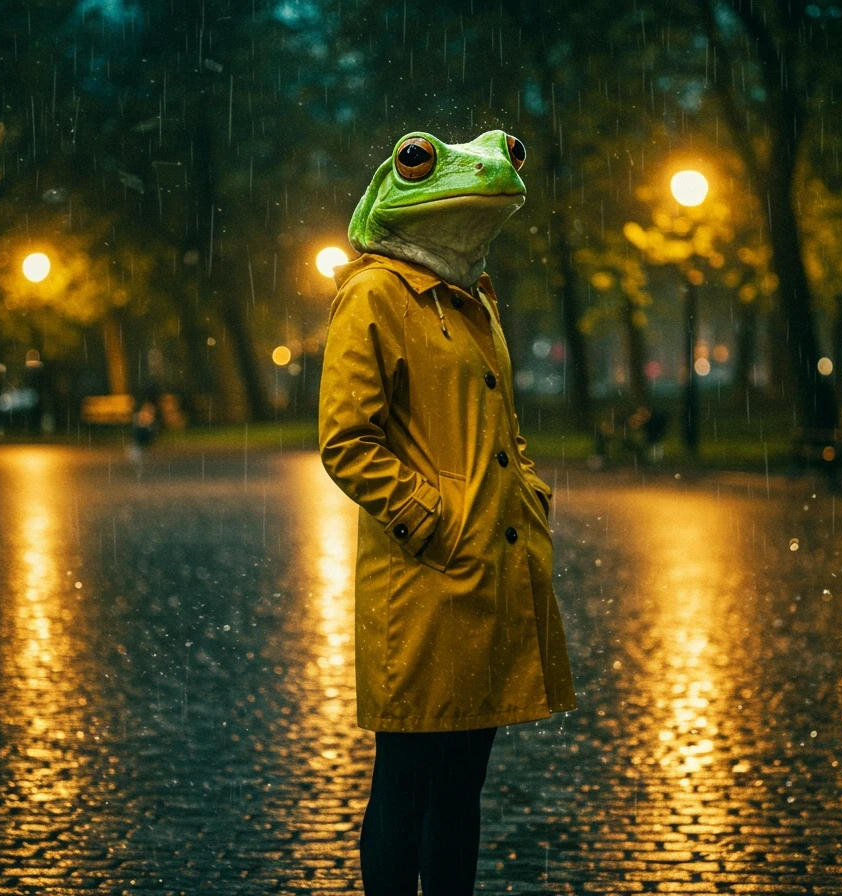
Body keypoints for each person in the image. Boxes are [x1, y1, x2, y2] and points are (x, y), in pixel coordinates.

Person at [318, 130, 577, 894]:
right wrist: (433, 520)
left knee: (463, 789)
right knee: (405, 784)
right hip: (424, 580)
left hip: (492, 570)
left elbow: (505, 425)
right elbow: (346, 439)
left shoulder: (476, 302)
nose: (492, 166)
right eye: (420, 161)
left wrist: (527, 492)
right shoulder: (372, 295)